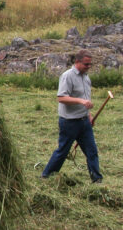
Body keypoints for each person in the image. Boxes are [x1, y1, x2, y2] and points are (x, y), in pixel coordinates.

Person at [41, 49, 103, 183]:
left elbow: (86, 98)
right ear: (77, 62)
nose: (89, 67)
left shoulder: (86, 78)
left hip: (84, 122)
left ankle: (97, 179)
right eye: (86, 64)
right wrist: (81, 101)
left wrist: (89, 116)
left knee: (92, 151)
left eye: (90, 64)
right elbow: (61, 98)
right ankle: (46, 176)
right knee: (63, 151)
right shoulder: (67, 76)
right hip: (69, 122)